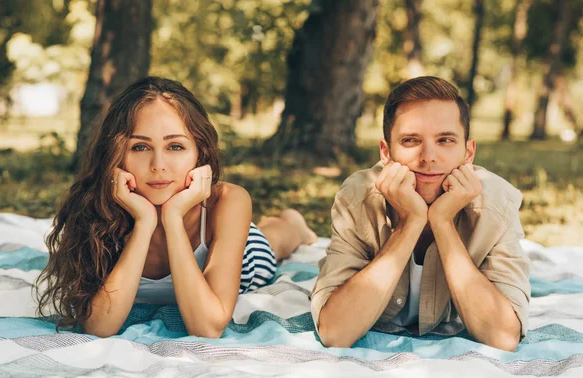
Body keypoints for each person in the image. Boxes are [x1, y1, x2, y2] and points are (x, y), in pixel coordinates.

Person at [36, 76, 317, 338]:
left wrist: (172, 218)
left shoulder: (227, 201)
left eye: (175, 147)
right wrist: (145, 223)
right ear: (116, 154)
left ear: (200, 153)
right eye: (140, 147)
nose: (158, 165)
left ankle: (294, 224)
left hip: (246, 255)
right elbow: (99, 327)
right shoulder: (96, 206)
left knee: (275, 238)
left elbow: (208, 327)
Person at [311, 76, 530, 352]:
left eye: (445, 140)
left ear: (468, 153)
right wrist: (410, 223)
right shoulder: (357, 198)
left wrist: (442, 222)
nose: (428, 156)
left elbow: (503, 337)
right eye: (411, 140)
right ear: (386, 153)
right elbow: (335, 332)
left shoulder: (497, 204)